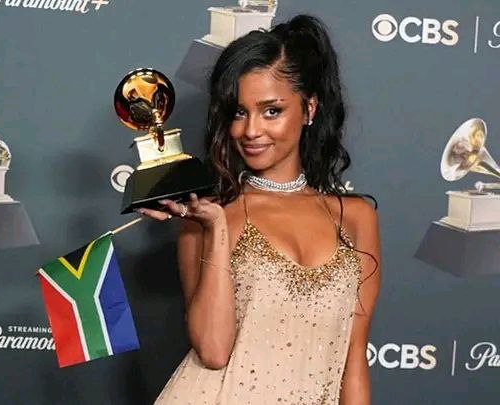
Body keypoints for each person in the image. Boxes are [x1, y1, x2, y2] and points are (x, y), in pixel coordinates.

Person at [137, 15, 381, 404]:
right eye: (239, 112)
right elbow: (213, 351)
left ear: (309, 108)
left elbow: (353, 358)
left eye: (271, 111)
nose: (250, 130)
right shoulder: (206, 217)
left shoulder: (355, 217)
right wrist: (216, 227)